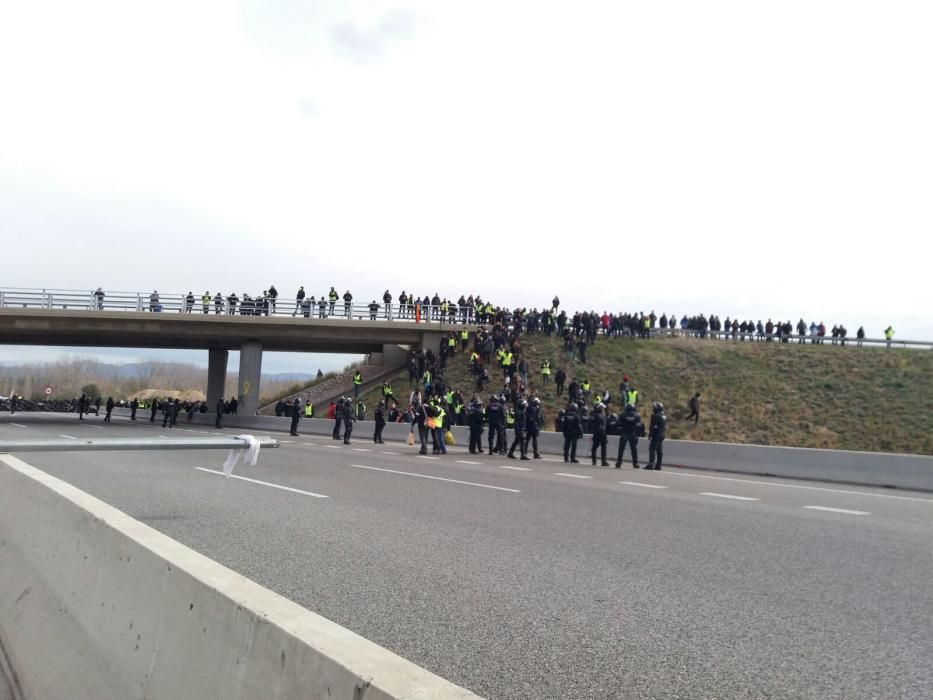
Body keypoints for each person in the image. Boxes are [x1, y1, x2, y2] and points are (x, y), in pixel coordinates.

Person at [616, 403, 643, 468]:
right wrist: (638, 435)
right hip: (633, 433)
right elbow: (639, 426)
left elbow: (617, 424)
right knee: (634, 449)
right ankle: (635, 463)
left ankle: (619, 462)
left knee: (621, 449)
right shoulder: (637, 416)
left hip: (624, 433)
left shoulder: (622, 415)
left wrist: (620, 431)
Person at [647, 402, 667, 470]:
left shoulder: (655, 416)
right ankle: (658, 465)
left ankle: (651, 464)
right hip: (662, 434)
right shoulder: (664, 416)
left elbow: (654, 427)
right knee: (659, 450)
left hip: (656, 435)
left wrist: (650, 434)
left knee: (652, 449)